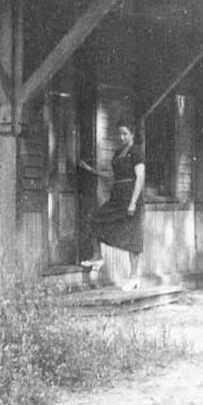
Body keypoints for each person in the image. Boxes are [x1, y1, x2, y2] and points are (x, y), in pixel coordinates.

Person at [79, 123, 145, 291]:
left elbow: (140, 178)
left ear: (132, 133)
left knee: (132, 236)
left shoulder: (136, 151)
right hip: (117, 197)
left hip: (131, 197)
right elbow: (111, 176)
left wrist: (133, 202)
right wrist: (90, 170)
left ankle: (134, 277)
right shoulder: (117, 153)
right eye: (119, 134)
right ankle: (97, 256)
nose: (121, 137)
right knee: (95, 219)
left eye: (125, 134)